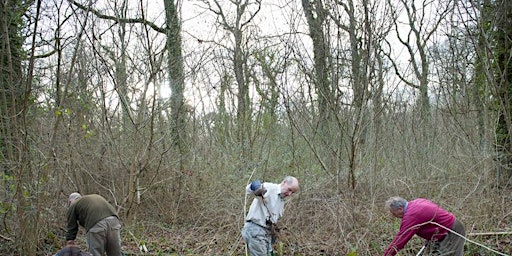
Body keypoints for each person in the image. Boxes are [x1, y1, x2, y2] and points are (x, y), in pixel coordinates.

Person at [383, 196, 465, 256]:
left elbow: (400, 240)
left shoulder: (411, 216)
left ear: (400, 209)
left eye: (394, 213)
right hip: (443, 232)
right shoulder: (418, 202)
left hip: (451, 231)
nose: (394, 216)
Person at [242, 176, 300, 256]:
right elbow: (248, 189)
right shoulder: (270, 188)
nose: (289, 194)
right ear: (284, 182)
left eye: (292, 192)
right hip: (255, 229)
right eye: (289, 189)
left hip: (266, 232)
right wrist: (256, 186)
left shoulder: (281, 200)